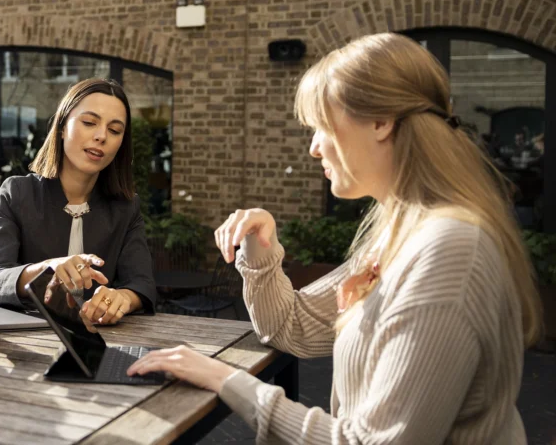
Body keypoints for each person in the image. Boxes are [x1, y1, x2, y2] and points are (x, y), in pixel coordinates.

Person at [128, 33, 542, 444]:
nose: (313, 148)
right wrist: (260, 245)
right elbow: (292, 327)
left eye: (322, 126)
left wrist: (226, 380)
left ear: (381, 121)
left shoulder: (449, 250)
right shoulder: (399, 233)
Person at [0, 78, 157, 327]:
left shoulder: (126, 208)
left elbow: (142, 285)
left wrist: (121, 299)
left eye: (115, 130)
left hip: (100, 341)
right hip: (26, 338)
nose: (101, 136)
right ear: (62, 126)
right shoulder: (17, 193)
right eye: (89, 122)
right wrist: (45, 269)